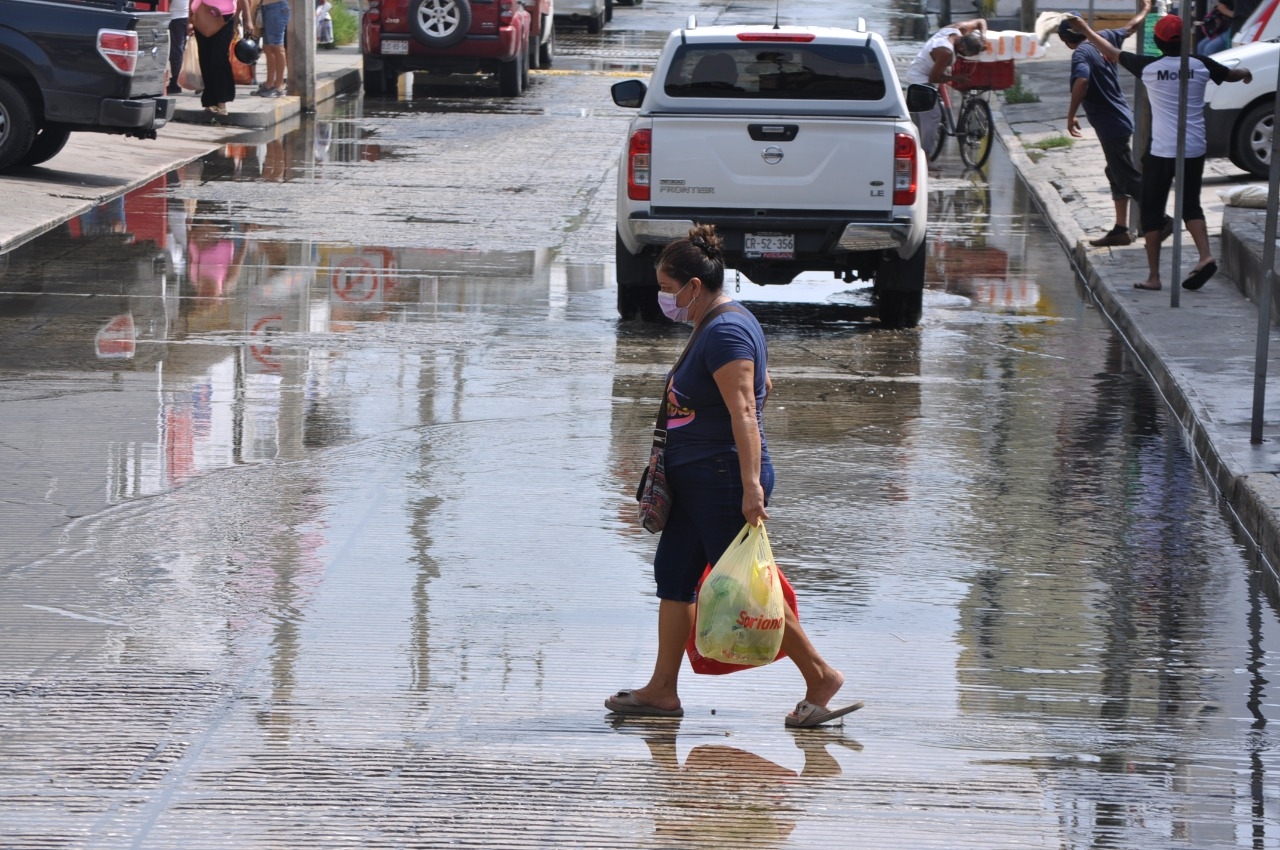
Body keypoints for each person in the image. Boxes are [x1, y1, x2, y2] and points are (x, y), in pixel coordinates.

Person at [603, 224, 862, 729]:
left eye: (665, 287)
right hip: (696, 479)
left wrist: (750, 487)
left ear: (692, 288)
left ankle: (820, 675)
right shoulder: (718, 324)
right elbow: (763, 383)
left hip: (723, 479)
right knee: (674, 579)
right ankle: (661, 690)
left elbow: (747, 409)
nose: (662, 297)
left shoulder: (725, 329)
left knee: (747, 589)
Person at [1071, 14, 1252, 291]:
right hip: (1193, 149)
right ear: (1186, 41)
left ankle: (1154, 277)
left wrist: (1085, 29)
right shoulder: (1201, 64)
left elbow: (1109, 50)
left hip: (1161, 151)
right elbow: (1232, 74)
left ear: (1157, 41)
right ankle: (1205, 255)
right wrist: (1247, 75)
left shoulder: (1148, 67)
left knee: (1153, 211)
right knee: (1190, 205)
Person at [1058, 1, 1154, 248]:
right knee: (1114, 173)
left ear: (1066, 40)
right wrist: (1145, 9)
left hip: (1111, 124)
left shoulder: (1080, 53)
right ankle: (1121, 229)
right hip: (1120, 118)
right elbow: (1130, 28)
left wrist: (1070, 114)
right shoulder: (1105, 38)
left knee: (1128, 178)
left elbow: (1081, 81)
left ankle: (1160, 220)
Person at [903, 18, 989, 160]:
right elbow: (934, 78)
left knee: (949, 84)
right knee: (933, 116)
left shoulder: (958, 29)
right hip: (920, 78)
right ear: (961, 48)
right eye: (967, 55)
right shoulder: (946, 52)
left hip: (934, 68)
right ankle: (925, 159)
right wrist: (956, 78)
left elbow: (981, 21)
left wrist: (983, 37)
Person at [191, 0, 238, 115]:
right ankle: (209, 101)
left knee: (219, 59)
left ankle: (222, 100)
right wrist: (190, 18)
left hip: (224, 17)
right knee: (205, 59)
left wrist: (248, 20)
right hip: (201, 15)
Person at [252, 0, 291, 97]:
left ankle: (279, 86)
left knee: (277, 46)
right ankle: (269, 84)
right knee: (267, 47)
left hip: (277, 6)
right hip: (267, 6)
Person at [168, 0, 190, 95]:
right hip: (186, 16)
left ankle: (176, 82)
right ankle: (178, 79)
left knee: (176, 51)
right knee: (179, 49)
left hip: (176, 16)